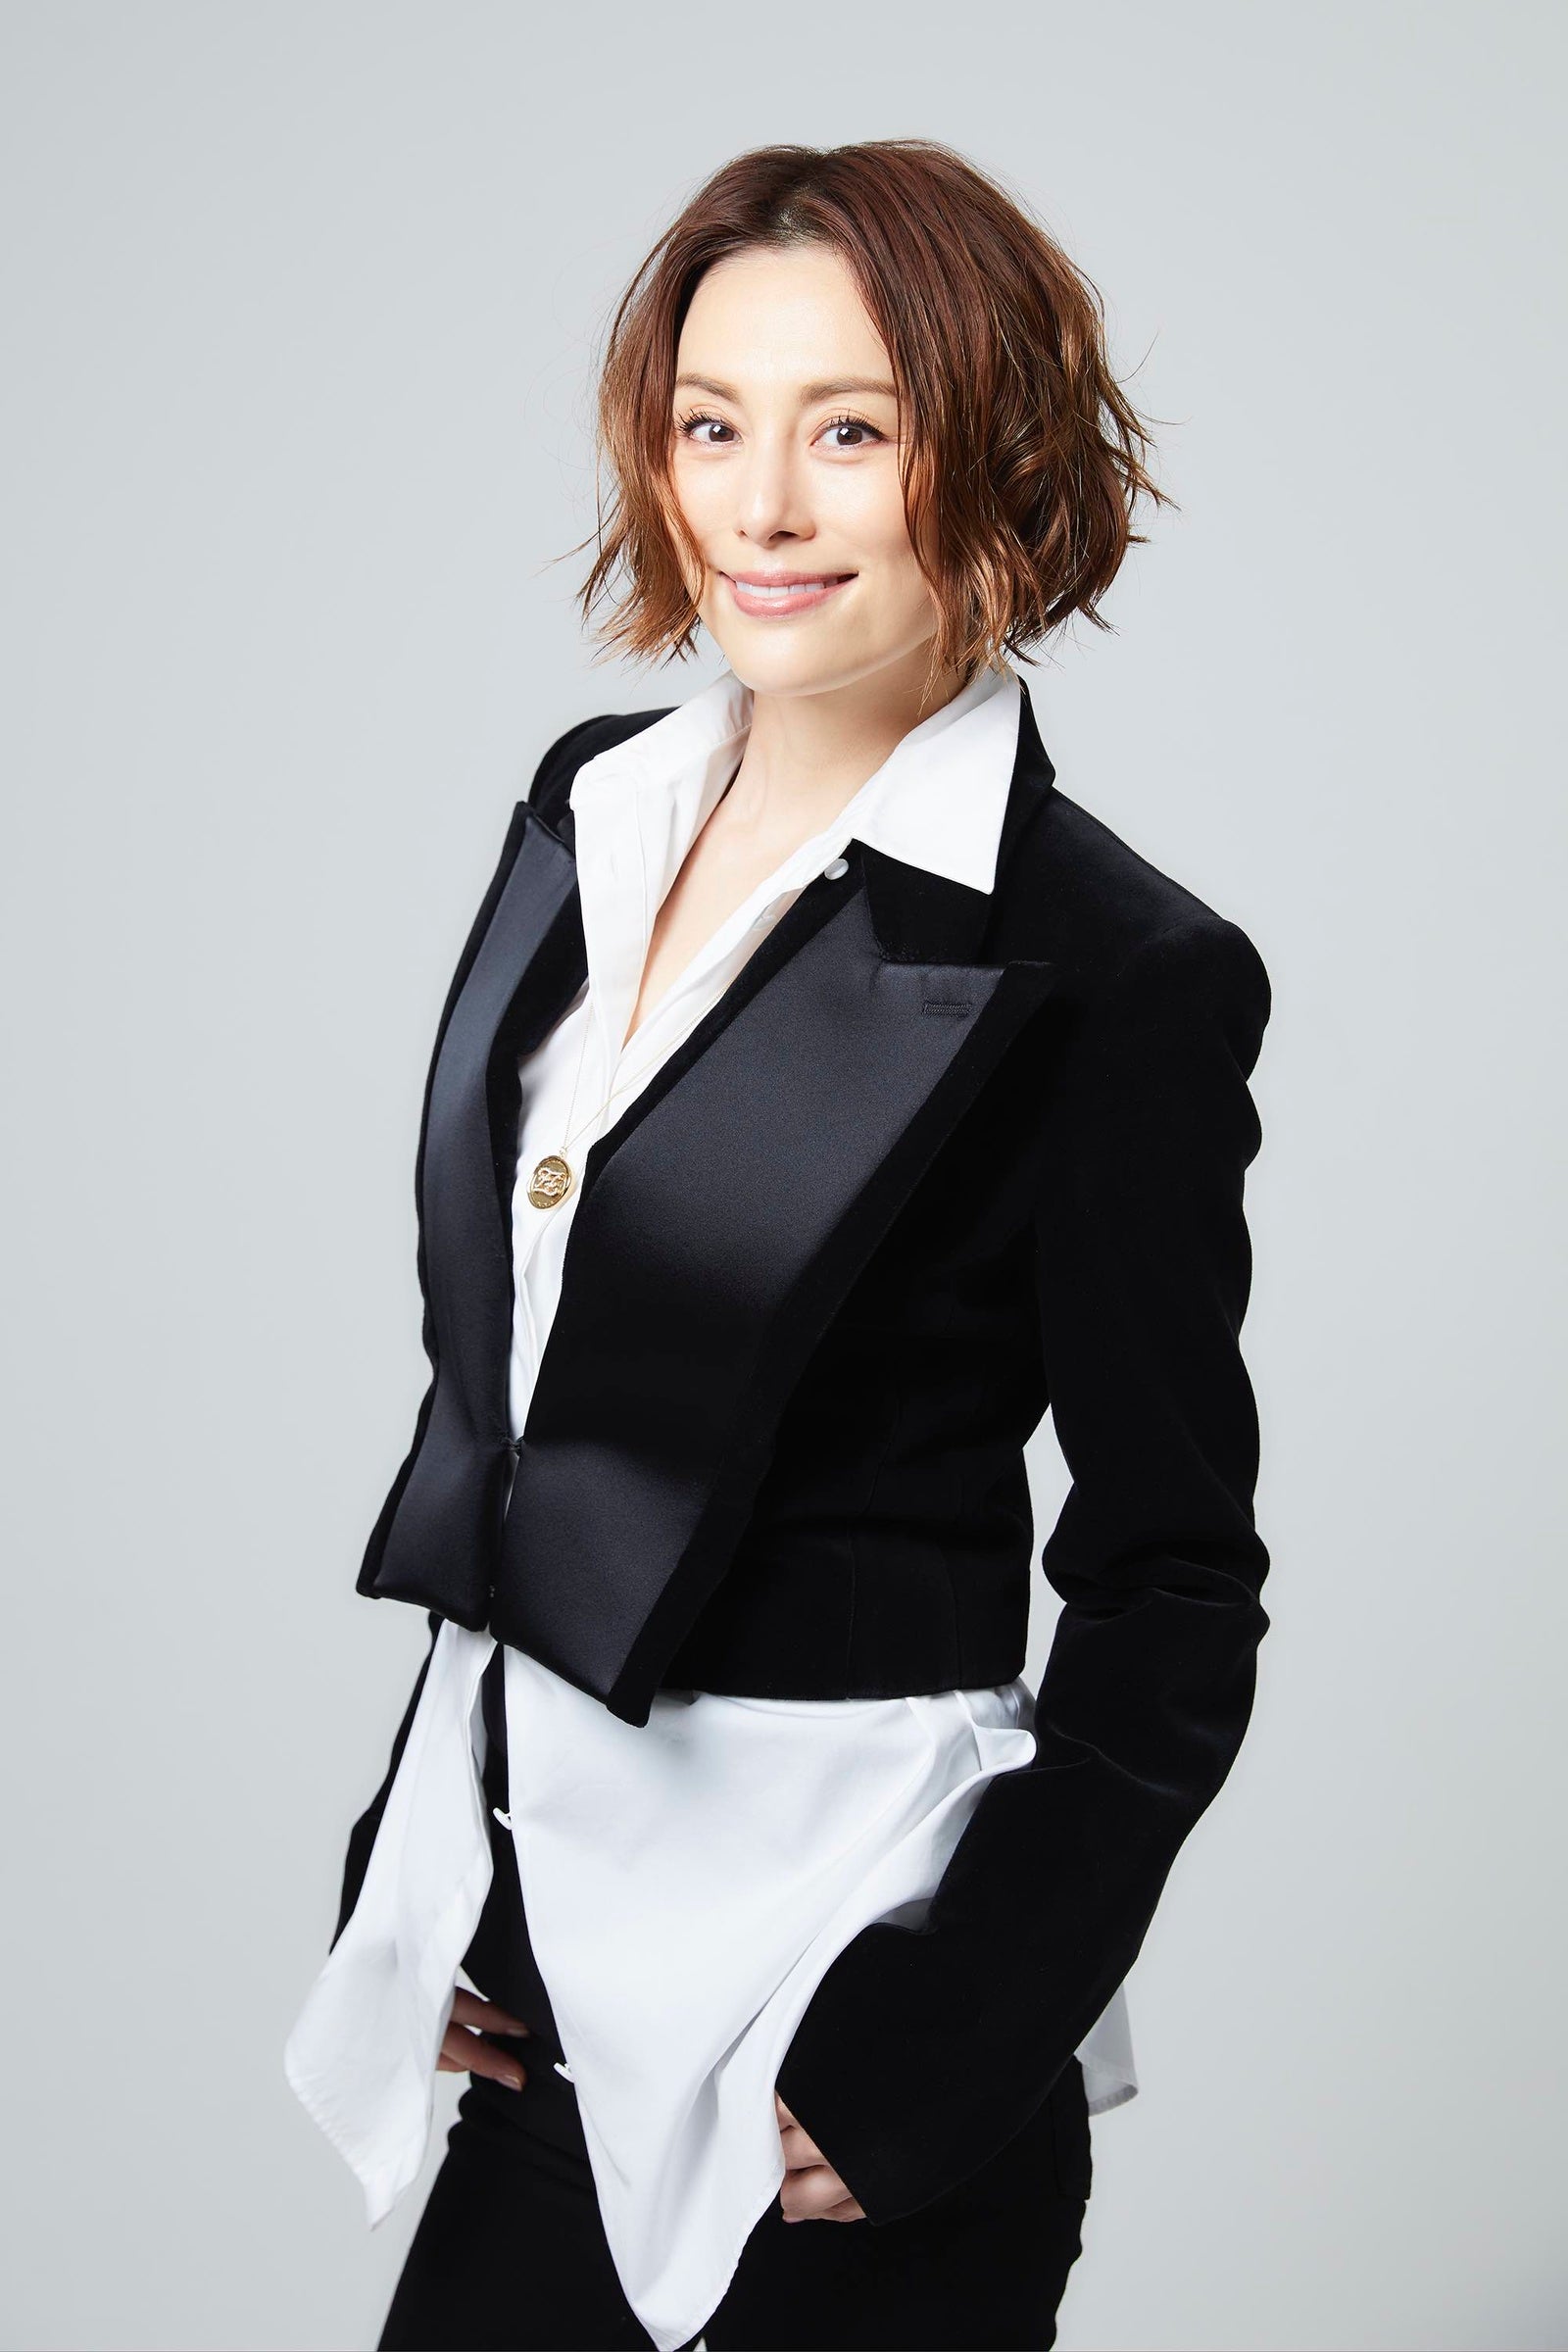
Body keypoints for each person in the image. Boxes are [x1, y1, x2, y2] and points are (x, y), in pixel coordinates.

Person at [283, 138, 1271, 2352]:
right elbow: (533, 1410)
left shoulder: (1112, 968)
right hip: (533, 1977)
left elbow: (1174, 1577)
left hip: (830, 2019)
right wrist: (420, 1847)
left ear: (993, 458)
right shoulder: (589, 806)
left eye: (849, 432)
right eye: (712, 423)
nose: (760, 504)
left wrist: (956, 2032)